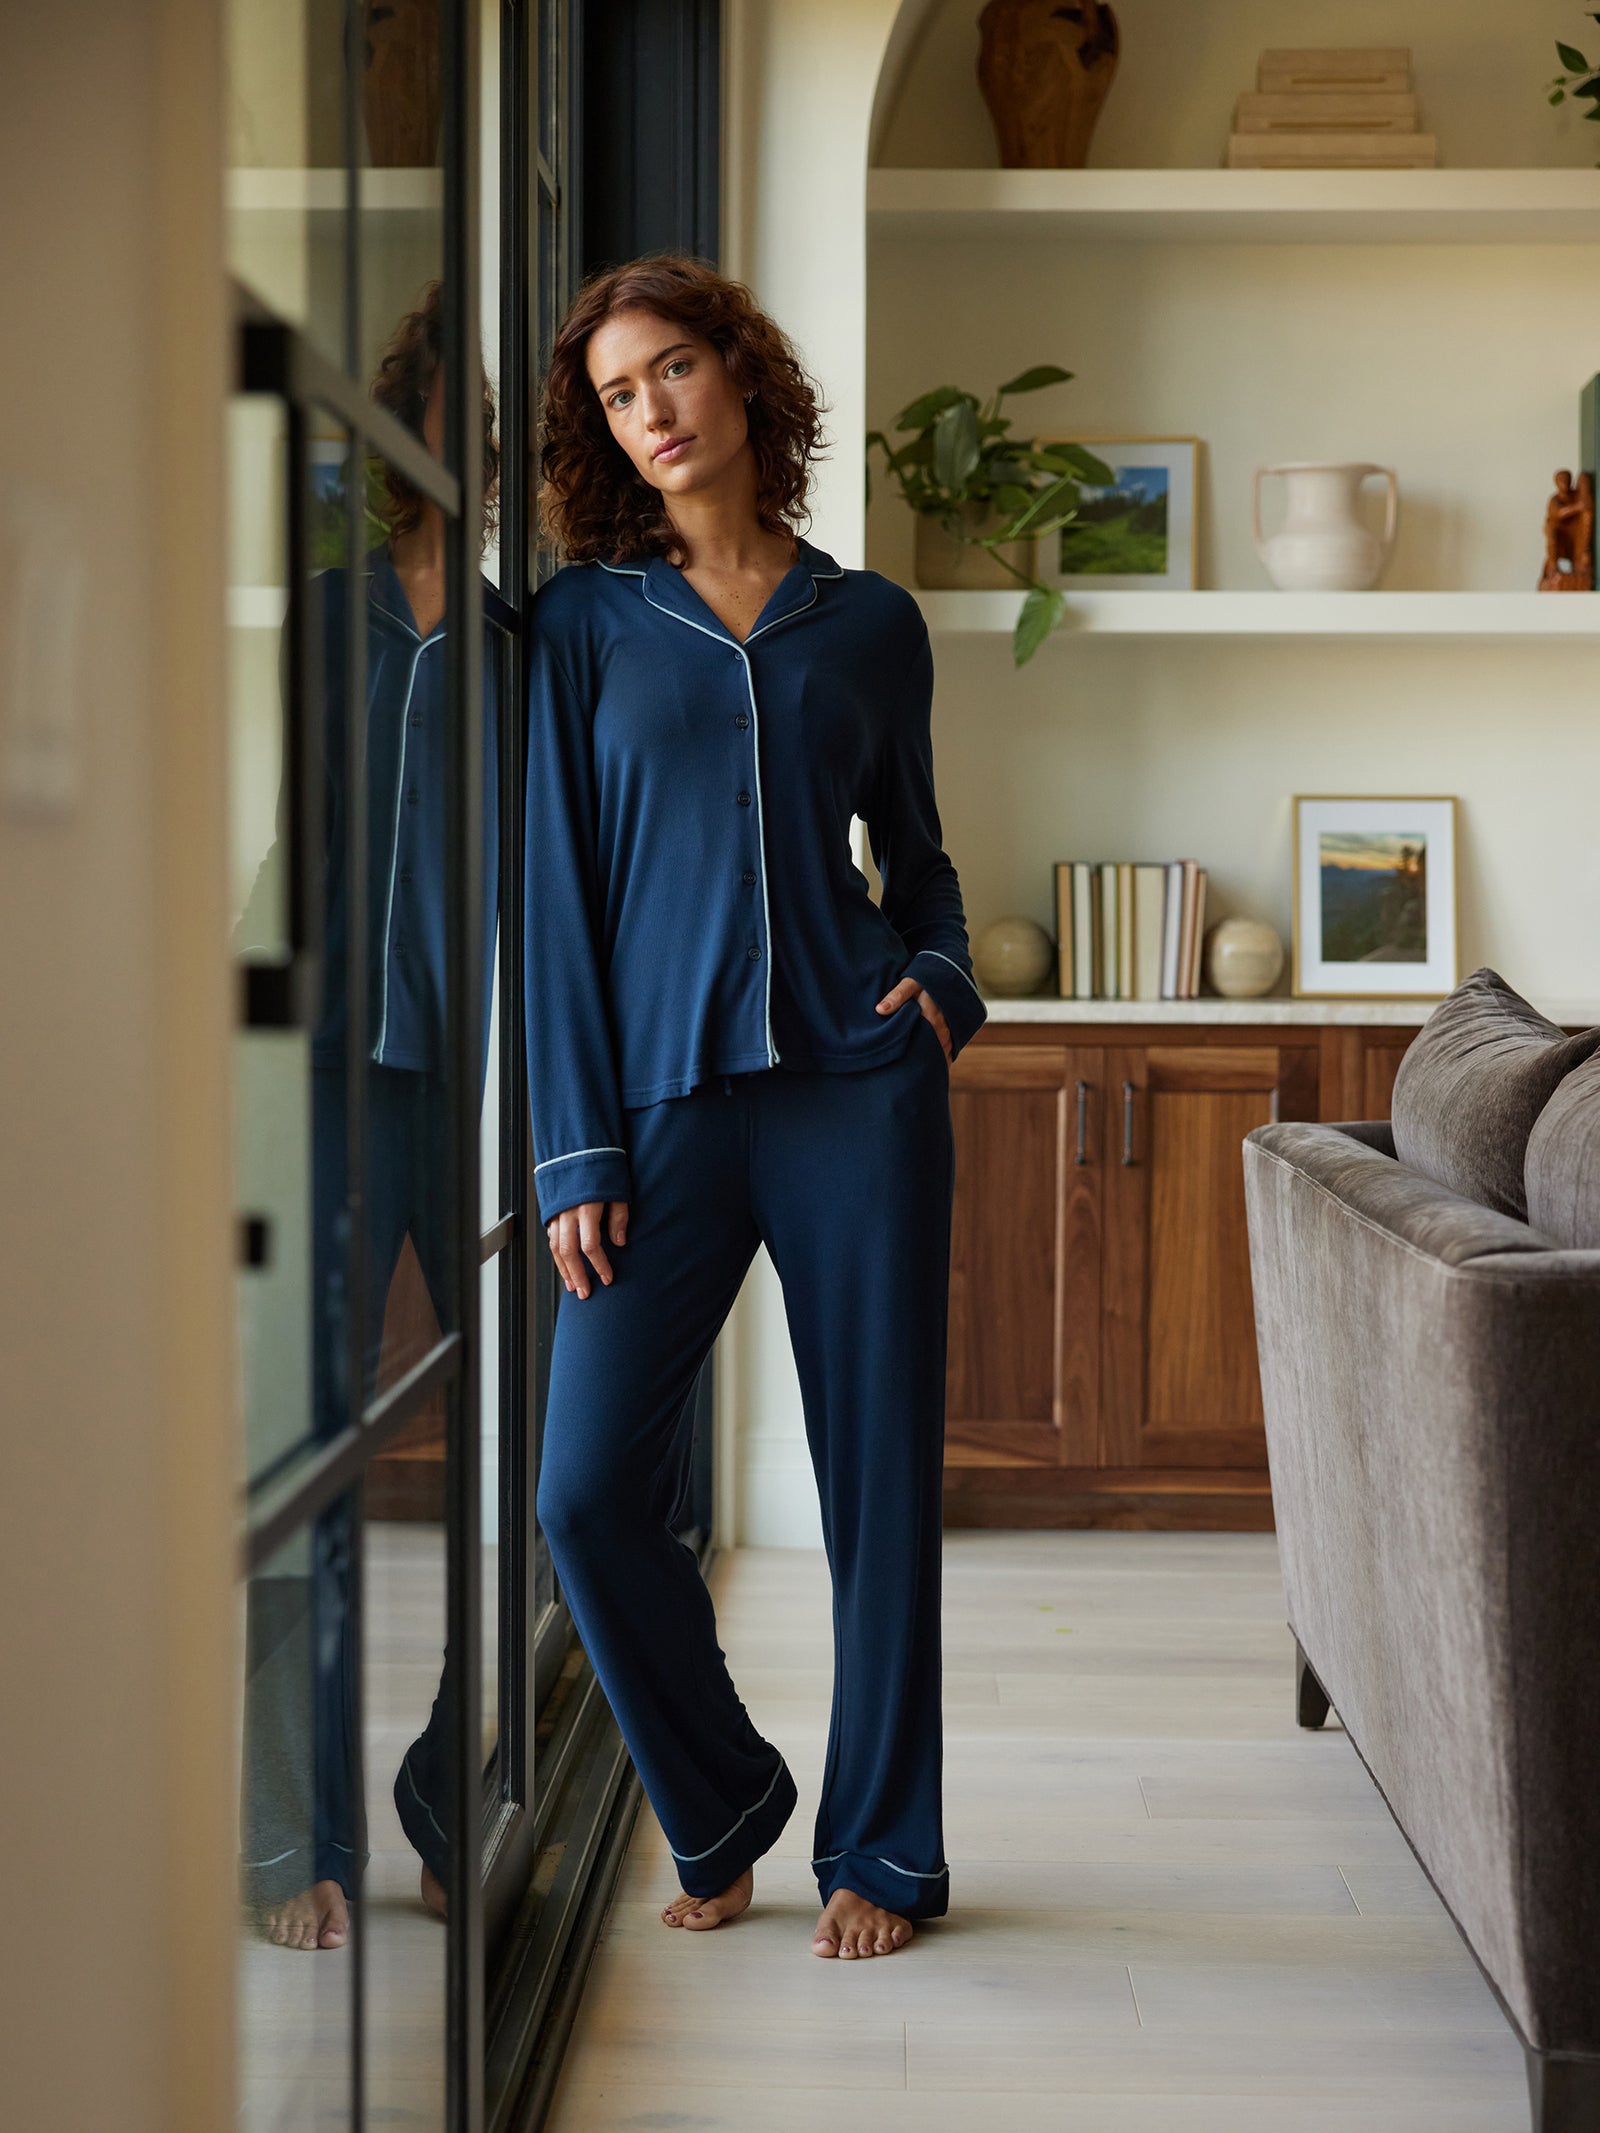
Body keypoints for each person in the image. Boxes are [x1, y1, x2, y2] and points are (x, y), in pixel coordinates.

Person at [525, 253, 987, 1960]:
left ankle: (883, 1852)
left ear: (741, 375)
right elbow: (553, 905)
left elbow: (922, 864)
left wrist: (938, 986)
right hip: (655, 1114)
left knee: (876, 1486)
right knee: (583, 1487)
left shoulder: (870, 621)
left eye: (673, 373)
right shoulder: (579, 626)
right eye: (618, 395)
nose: (650, 413)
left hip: (856, 1098)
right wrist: (574, 1141)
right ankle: (720, 1799)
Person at [239, 280, 501, 1951]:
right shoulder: (327, 624)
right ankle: (291, 1841)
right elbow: (282, 851)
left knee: (536, 1467)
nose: (440, 461)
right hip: (325, 1080)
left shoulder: (522, 640)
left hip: (476, 1093)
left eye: (462, 435)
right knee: (304, 1452)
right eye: (416, 432)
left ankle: (434, 1799)